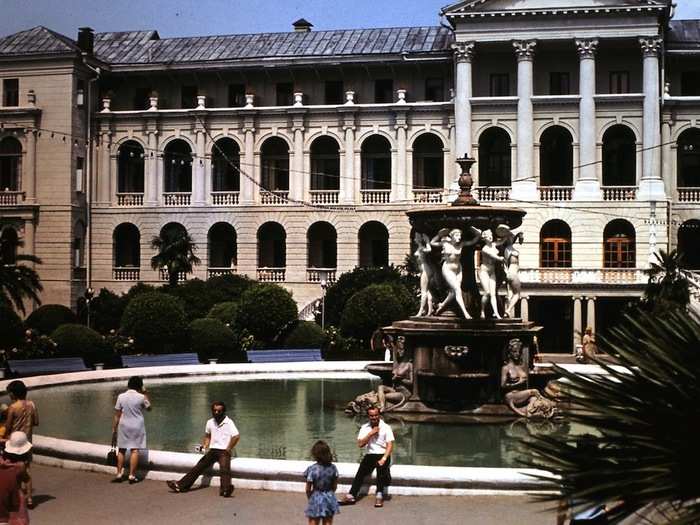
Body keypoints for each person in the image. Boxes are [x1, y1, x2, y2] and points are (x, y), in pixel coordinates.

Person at [167, 401, 239, 497]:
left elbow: (236, 436)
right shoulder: (209, 422)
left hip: (224, 451)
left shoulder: (229, 422)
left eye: (219, 411)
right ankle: (181, 486)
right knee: (199, 466)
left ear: (224, 411)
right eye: (214, 411)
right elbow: (208, 436)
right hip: (213, 450)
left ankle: (225, 490)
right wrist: (205, 446)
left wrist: (228, 448)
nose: (216, 413)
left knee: (224, 468)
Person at [341, 407, 394, 508]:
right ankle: (352, 495)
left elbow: (390, 445)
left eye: (375, 415)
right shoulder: (364, 427)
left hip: (383, 453)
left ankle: (379, 495)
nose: (374, 417)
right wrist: (371, 434)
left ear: (379, 415)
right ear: (368, 416)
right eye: (371, 415)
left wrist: (384, 458)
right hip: (370, 454)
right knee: (360, 472)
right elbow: (360, 444)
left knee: (381, 470)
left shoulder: (386, 427)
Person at [430, 227, 480, 319]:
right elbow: (432, 243)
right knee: (457, 289)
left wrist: (475, 231)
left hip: (458, 269)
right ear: (452, 236)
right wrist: (439, 235)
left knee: (453, 292)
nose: (459, 237)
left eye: (460, 235)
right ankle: (465, 313)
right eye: (457, 235)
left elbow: (474, 240)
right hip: (448, 268)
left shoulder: (461, 244)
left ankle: (441, 305)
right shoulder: (445, 244)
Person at [111, 376, 151, 484]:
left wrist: (114, 428)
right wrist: (146, 393)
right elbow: (149, 408)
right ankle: (132, 476)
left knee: (122, 450)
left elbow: (117, 414)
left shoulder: (121, 396)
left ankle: (119, 474)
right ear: (140, 385)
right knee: (134, 450)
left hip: (124, 424)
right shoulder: (141, 397)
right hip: (137, 425)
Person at [5, 381, 38, 508]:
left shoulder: (13, 408)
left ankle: (16, 498)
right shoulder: (32, 405)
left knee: (14, 470)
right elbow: (36, 421)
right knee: (27, 470)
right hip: (27, 442)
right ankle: (29, 499)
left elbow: (8, 427)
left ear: (13, 394)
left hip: (14, 442)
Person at [303, 440, 339, 525]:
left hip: (316, 496)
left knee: (313, 522)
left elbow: (308, 488)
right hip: (329, 497)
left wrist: (310, 498)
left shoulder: (312, 469)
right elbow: (334, 486)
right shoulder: (333, 468)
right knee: (328, 522)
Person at [0, 432, 31, 525]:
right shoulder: (19, 467)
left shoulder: (2, 462)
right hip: (12, 501)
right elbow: (27, 479)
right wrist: (27, 496)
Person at [478, 229, 504, 319]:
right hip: (484, 271)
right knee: (487, 293)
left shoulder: (493, 244)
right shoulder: (485, 249)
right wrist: (500, 258)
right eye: (488, 236)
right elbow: (495, 257)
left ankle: (496, 313)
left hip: (492, 271)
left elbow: (502, 241)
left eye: (491, 235)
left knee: (493, 294)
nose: (490, 237)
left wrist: (507, 234)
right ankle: (482, 311)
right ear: (484, 238)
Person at [413, 231, 435, 316]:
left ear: (419, 239)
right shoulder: (419, 247)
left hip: (425, 270)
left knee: (423, 291)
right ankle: (430, 310)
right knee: (427, 291)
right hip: (424, 270)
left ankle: (420, 311)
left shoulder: (422, 248)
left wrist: (427, 241)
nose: (415, 239)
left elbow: (429, 249)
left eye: (416, 237)